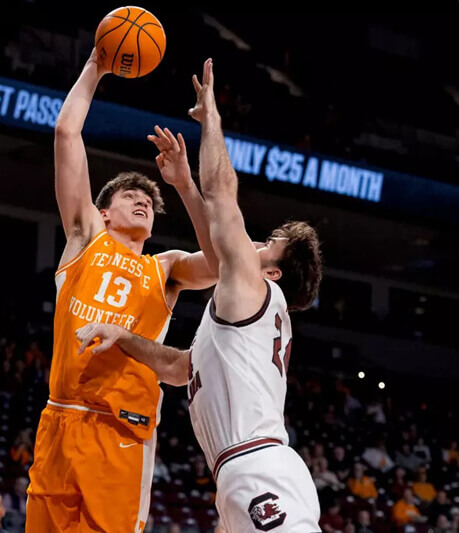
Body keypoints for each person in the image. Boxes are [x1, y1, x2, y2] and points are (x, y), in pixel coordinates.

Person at [77, 58, 323, 532]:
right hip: (242, 470)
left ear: (272, 272)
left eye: (268, 243)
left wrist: (211, 119)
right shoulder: (241, 315)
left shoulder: (254, 291)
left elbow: (222, 195)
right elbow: (178, 368)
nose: (254, 241)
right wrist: (123, 336)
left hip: (257, 469)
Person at [26, 45, 220, 533]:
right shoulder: (85, 238)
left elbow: (220, 264)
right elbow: (66, 133)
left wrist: (184, 186)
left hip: (119, 430)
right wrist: (95, 66)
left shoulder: (166, 268)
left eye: (148, 202)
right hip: (59, 419)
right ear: (103, 213)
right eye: (130, 196)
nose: (142, 202)